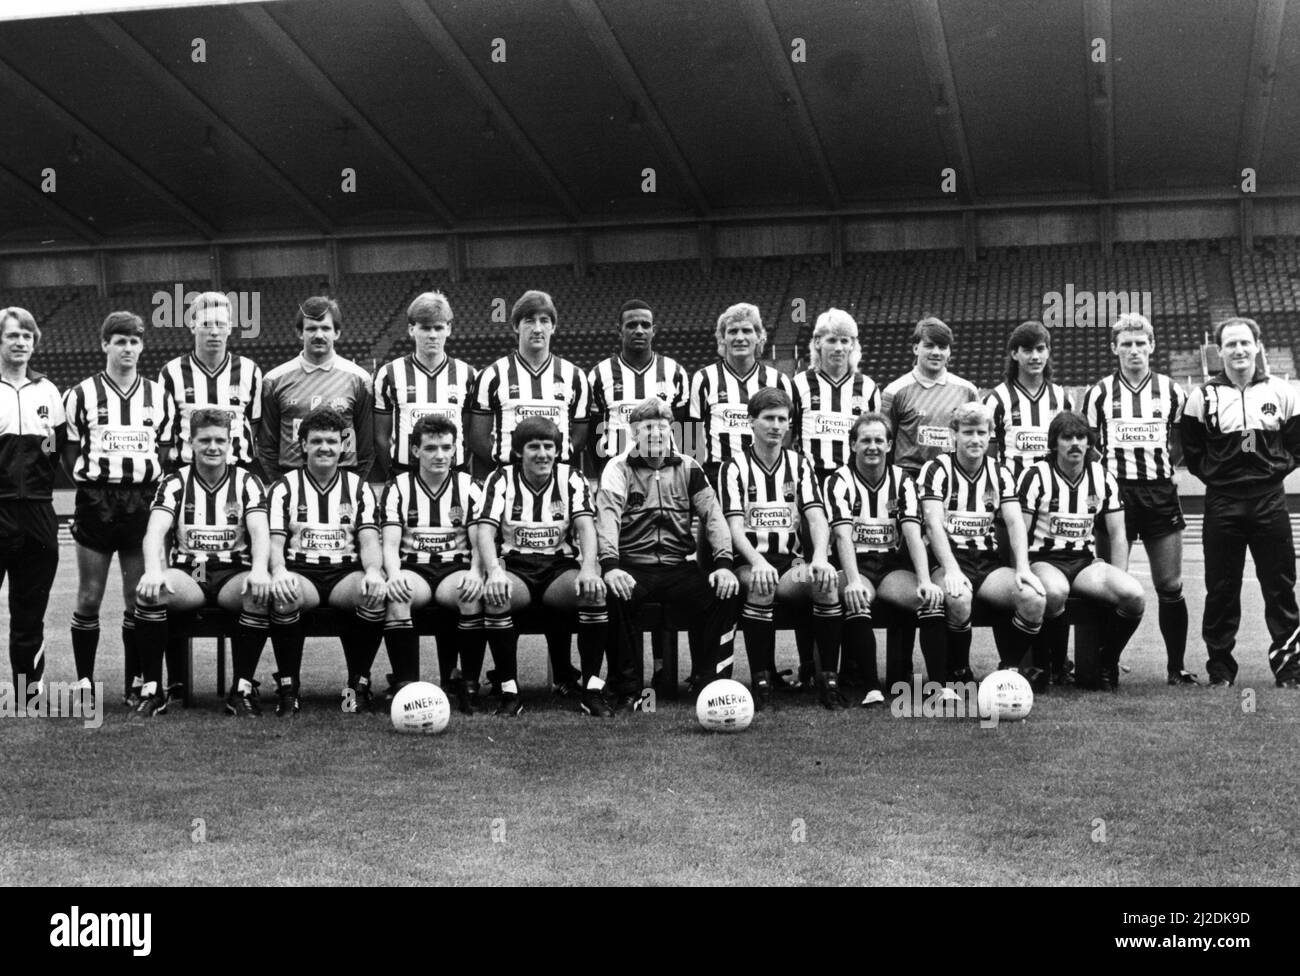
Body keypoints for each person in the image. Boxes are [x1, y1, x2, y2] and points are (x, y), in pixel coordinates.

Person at [468, 290, 588, 697]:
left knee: (564, 580)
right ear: (515, 326)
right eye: (528, 320)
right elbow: (478, 435)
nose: (537, 328)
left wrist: (551, 459)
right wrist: (514, 464)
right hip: (512, 486)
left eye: (544, 320)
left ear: (554, 326)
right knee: (505, 586)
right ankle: (503, 681)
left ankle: (572, 677)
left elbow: (582, 430)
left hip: (556, 489)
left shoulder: (574, 376)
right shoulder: (492, 375)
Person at [62, 311, 177, 706]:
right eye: (120, 340)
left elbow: (161, 451)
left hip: (141, 500)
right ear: (104, 344)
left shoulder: (159, 397)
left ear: (142, 346)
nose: (128, 348)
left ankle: (135, 682)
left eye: (134, 341)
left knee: (136, 596)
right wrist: (96, 482)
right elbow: (70, 452)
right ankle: (83, 683)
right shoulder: (79, 394)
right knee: (89, 596)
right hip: (96, 500)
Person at [596, 397, 740, 708]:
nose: (657, 433)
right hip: (634, 565)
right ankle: (629, 688)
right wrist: (610, 567)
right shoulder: (617, 468)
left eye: (662, 426)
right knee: (616, 595)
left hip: (678, 567)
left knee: (722, 593)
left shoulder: (689, 466)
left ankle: (710, 680)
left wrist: (724, 563)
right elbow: (607, 519)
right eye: (648, 427)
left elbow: (713, 516)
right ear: (633, 433)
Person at [1182, 316, 1300, 689]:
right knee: (1220, 588)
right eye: (1230, 344)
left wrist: (1271, 472)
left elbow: (1296, 446)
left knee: (1280, 586)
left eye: (1245, 343)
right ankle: (1220, 670)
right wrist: (1221, 478)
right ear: (1219, 350)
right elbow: (1192, 451)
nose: (1238, 350)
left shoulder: (1283, 392)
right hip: (1223, 505)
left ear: (1257, 346)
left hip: (1269, 502)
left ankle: (1290, 668)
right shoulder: (1202, 397)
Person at [157, 290, 264, 701]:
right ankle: (177, 681)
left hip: (236, 484)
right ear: (192, 326)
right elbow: (167, 438)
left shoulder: (251, 372)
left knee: (242, 574)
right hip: (188, 483)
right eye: (207, 323)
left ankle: (244, 683)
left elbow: (258, 433)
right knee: (181, 576)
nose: (214, 331)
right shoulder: (171, 372)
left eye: (222, 323)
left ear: (231, 327)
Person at [133, 409, 273, 716]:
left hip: (232, 571)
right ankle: (154, 689)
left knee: (258, 593)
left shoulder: (247, 482)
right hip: (190, 571)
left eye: (220, 440)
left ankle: (243, 690)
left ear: (230, 442)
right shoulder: (174, 482)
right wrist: (154, 571)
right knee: (150, 593)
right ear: (190, 442)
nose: (213, 447)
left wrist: (261, 570)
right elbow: (154, 532)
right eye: (205, 440)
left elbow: (260, 531)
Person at [1083, 312, 1193, 685]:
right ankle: (1106, 664)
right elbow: (1088, 446)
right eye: (1126, 344)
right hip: (1115, 496)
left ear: (1152, 346)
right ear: (1114, 348)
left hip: (1160, 494)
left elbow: (1180, 441)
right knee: (1112, 587)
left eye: (1140, 343)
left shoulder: (1172, 391)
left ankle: (1176, 668)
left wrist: (1164, 469)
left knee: (1170, 585)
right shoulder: (1098, 393)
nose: (1134, 350)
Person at [473, 417, 608, 717]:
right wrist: (494, 570)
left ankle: (592, 691)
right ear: (519, 451)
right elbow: (485, 530)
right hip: (516, 566)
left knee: (594, 593)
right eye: (534, 447)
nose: (542, 454)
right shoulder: (501, 478)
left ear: (558, 450)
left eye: (549, 447)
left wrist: (588, 568)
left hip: (557, 567)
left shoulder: (572, 477)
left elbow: (586, 527)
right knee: (498, 596)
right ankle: (509, 691)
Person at [720, 388, 841, 709]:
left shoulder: (800, 465)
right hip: (750, 563)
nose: (776, 426)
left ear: (790, 425)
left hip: (792, 567)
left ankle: (828, 680)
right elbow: (732, 528)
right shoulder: (733, 467)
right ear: (751, 422)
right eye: (768, 418)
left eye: (782, 420)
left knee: (824, 582)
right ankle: (762, 681)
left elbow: (817, 518)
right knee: (762, 582)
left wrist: (819, 558)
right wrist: (758, 561)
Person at [265, 408, 387, 716]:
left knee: (373, 596)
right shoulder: (284, 487)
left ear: (343, 445)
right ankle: (289, 688)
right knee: (284, 596)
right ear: (303, 445)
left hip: (344, 572)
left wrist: (373, 570)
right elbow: (275, 542)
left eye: (331, 441)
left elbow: (370, 541)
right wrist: (278, 572)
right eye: (316, 440)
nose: (324, 447)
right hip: (301, 571)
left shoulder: (359, 488)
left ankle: (356, 687)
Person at [920, 403, 1046, 686]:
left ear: (991, 434)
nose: (975, 439)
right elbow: (933, 524)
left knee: (1034, 599)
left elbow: (1015, 522)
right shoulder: (936, 469)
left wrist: (1023, 567)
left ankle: (1008, 670)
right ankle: (960, 670)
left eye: (981, 432)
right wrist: (951, 569)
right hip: (946, 560)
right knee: (958, 598)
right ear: (954, 434)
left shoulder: (1000, 473)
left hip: (986, 563)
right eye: (967, 432)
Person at [1019, 412, 1145, 691]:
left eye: (1081, 437)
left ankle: (1106, 660)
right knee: (1054, 591)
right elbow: (1020, 530)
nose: (1075, 443)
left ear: (1089, 443)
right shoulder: (1035, 475)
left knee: (1133, 595)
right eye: (1067, 437)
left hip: (1084, 563)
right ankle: (1054, 663)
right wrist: (1021, 568)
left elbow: (1118, 534)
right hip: (1045, 558)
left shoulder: (1102, 477)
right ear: (1055, 443)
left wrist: (1116, 573)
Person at [826, 413, 945, 706]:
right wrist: (852, 580)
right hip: (853, 564)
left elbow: (914, 534)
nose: (873, 446)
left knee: (929, 599)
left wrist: (926, 581)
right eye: (865, 440)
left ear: (890, 444)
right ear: (852, 444)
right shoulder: (838, 480)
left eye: (879, 440)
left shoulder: (903, 480)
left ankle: (941, 686)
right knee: (858, 597)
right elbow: (842, 537)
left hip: (890, 566)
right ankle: (871, 688)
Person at [379, 415, 486, 714]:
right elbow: (389, 543)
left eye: (445, 447)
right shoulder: (398, 487)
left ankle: (468, 684)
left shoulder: (469, 486)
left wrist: (477, 573)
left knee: (471, 593)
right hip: (415, 569)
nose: (439, 455)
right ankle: (406, 687)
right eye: (430, 448)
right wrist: (395, 574)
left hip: (456, 569)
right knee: (397, 596)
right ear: (415, 451)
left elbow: (480, 541)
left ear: (455, 450)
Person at [0, 306, 65, 690]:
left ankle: (28, 692)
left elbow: (53, 452)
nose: (21, 342)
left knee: (30, 610)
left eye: (26, 336)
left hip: (38, 512)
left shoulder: (49, 391)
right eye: (12, 335)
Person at [259, 296, 375, 482]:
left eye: (326, 328)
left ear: (337, 333)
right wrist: (281, 484)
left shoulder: (359, 379)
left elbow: (366, 444)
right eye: (311, 329)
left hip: (345, 477)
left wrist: (354, 484)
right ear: (300, 333)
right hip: (291, 478)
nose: (319, 335)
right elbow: (266, 444)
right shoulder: (274, 380)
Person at [373, 290, 477, 479]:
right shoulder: (389, 374)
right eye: (425, 328)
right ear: (412, 329)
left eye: (438, 328)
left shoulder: (468, 374)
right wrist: (393, 474)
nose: (432, 335)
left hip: (454, 474)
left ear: (449, 329)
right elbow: (381, 436)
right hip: (404, 473)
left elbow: (470, 435)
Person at [689, 302, 793, 483]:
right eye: (732, 331)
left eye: (746, 331)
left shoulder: (778, 381)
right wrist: (695, 481)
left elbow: (786, 435)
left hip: (764, 474)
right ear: (722, 338)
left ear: (759, 337)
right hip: (717, 475)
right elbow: (692, 433)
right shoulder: (704, 378)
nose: (739, 337)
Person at [587, 299, 690, 470]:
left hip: (664, 470)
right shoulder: (599, 374)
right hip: (618, 470)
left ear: (653, 330)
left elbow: (682, 428)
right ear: (619, 330)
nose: (639, 331)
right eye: (632, 325)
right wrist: (603, 469)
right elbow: (594, 433)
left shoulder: (675, 372)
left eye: (645, 325)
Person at [882, 316, 979, 479]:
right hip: (908, 477)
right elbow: (884, 442)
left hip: (952, 477)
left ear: (949, 352)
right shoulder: (894, 391)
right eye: (929, 346)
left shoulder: (968, 391)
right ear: (915, 348)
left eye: (942, 347)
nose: (936, 352)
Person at [791, 308, 881, 482]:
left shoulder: (868, 388)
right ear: (817, 342)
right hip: (810, 481)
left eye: (844, 341)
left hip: (854, 481)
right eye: (831, 340)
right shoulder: (799, 384)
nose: (839, 348)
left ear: (852, 345)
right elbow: (787, 439)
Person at [985, 321, 1072, 482]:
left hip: (1052, 491)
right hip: (1010, 493)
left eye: (1040, 349)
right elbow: (988, 454)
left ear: (1048, 351)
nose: (1035, 357)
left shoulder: (1062, 399)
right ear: (1014, 354)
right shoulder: (996, 399)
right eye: (1027, 350)